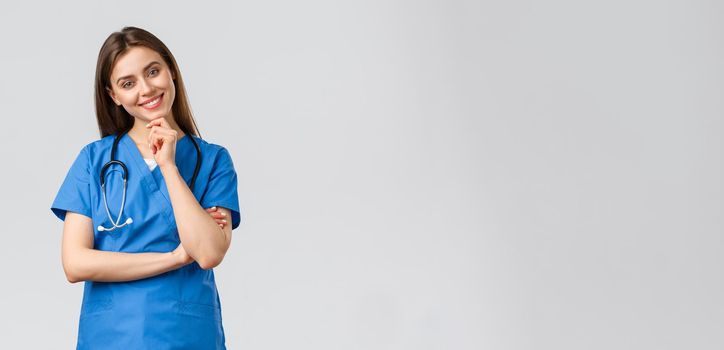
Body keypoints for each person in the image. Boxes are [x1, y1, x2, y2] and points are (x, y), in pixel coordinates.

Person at [50, 26, 240, 349]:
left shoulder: (212, 160)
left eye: (153, 71)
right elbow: (75, 263)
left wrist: (168, 166)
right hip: (111, 338)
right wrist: (176, 257)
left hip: (186, 336)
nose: (147, 89)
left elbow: (208, 252)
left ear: (171, 72)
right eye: (128, 83)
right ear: (114, 96)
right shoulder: (94, 161)